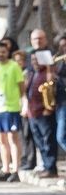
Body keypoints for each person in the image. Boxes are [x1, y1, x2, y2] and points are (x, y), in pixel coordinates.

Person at [0, 41, 24, 181]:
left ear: (7, 52)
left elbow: (21, 86)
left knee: (12, 138)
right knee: (1, 140)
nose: (0, 54)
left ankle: (16, 169)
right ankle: (6, 169)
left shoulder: (14, 66)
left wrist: (22, 101)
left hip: (11, 107)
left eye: (3, 52)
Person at [24, 49, 58, 178]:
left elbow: (51, 86)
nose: (35, 62)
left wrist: (49, 66)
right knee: (40, 142)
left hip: (44, 112)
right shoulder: (32, 73)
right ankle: (45, 166)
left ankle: (51, 168)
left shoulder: (48, 73)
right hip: (33, 113)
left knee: (48, 141)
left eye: (37, 60)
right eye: (33, 60)